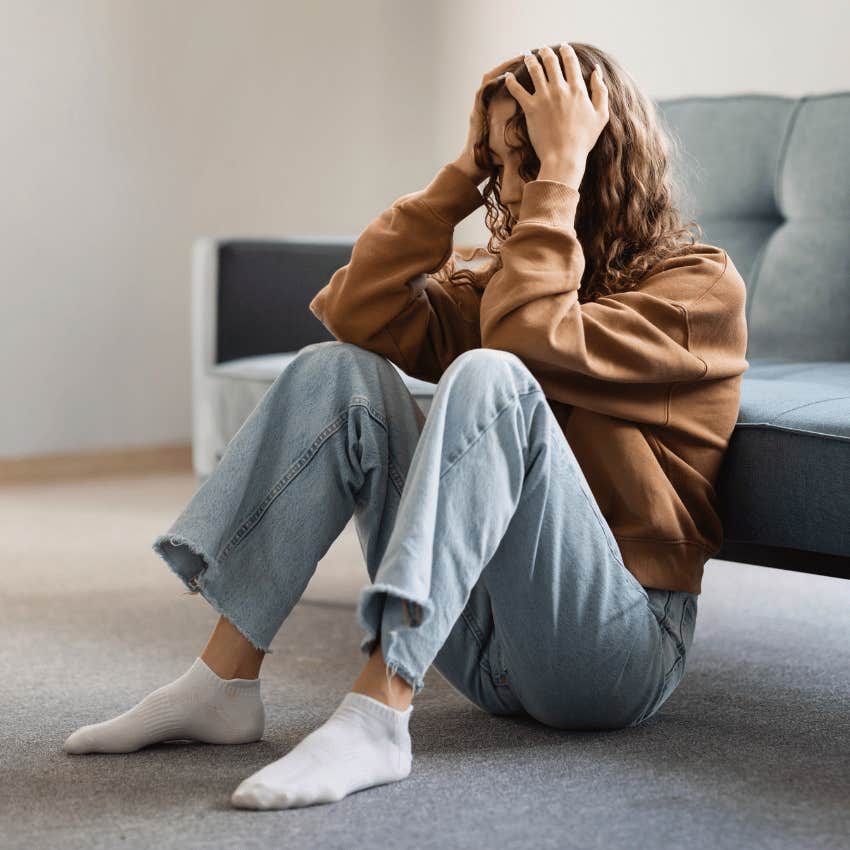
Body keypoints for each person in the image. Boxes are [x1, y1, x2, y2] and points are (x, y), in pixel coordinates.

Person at [63, 42, 749, 811]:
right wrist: (461, 178)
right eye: (500, 163)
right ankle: (223, 682)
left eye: (531, 160)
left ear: (597, 154)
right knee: (336, 370)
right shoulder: (502, 276)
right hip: (483, 644)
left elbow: (530, 339)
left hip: (615, 651)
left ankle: (377, 714)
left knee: (492, 373)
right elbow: (356, 311)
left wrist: (557, 178)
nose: (513, 192)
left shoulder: (697, 289)